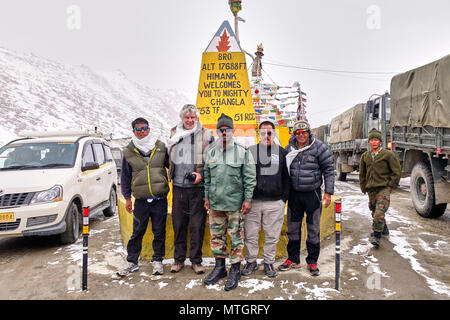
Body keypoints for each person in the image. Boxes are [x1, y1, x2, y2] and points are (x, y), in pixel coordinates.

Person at [203, 113, 256, 291]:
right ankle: (219, 268)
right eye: (221, 130)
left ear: (233, 131)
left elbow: (250, 178)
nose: (224, 132)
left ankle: (234, 270)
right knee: (217, 237)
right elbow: (207, 179)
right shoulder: (211, 152)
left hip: (235, 205)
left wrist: (248, 200)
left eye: (227, 129)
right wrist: (207, 198)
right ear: (217, 132)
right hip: (216, 204)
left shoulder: (243, 152)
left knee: (235, 238)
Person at [279, 120, 334, 276]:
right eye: (298, 132)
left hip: (313, 195)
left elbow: (329, 170)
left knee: (313, 229)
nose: (301, 135)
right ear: (294, 134)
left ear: (309, 133)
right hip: (294, 196)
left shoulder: (319, 147)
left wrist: (328, 192)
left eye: (304, 132)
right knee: (293, 229)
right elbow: (282, 171)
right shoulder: (289, 149)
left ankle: (312, 261)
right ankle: (293, 259)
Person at [117, 117, 170, 277]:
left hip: (159, 198)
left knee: (159, 231)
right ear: (133, 131)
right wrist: (127, 198)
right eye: (138, 129)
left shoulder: (160, 146)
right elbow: (125, 177)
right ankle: (132, 262)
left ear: (149, 128)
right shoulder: (128, 151)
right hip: (140, 200)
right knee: (137, 232)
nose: (142, 131)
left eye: (145, 128)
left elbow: (171, 166)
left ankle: (158, 261)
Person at [167, 104, 215, 274]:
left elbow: (213, 160)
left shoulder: (207, 135)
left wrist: (202, 174)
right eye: (186, 118)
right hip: (179, 187)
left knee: (197, 226)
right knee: (178, 225)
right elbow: (168, 157)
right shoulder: (174, 133)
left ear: (197, 118)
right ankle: (178, 260)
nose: (189, 120)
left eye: (192, 117)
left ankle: (196, 261)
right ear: (182, 119)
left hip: (198, 188)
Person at [242, 120, 289, 278]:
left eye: (269, 133)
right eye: (263, 133)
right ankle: (251, 261)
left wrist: (283, 199)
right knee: (251, 235)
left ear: (273, 134)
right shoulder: (250, 151)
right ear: (259, 134)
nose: (266, 136)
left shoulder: (282, 153)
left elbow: (287, 178)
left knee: (272, 235)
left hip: (275, 203)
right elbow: (244, 176)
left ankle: (268, 262)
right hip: (253, 203)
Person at [359, 128, 401, 248]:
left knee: (379, 212)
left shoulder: (388, 155)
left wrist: (391, 186)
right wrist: (363, 187)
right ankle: (384, 229)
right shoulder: (365, 156)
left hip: (383, 189)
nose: (374, 142)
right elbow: (362, 174)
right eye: (371, 140)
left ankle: (376, 236)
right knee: (374, 211)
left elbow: (396, 171)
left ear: (380, 141)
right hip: (371, 190)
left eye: (376, 140)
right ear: (369, 142)